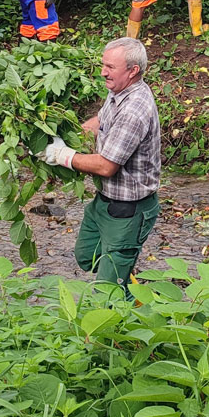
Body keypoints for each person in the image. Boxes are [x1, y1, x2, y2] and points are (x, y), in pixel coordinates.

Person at [42, 37, 161, 294]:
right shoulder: (118, 91)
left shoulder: (134, 110)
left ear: (133, 71)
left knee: (106, 293)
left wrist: (62, 156)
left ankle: (123, 293)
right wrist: (70, 136)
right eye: (103, 65)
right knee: (87, 255)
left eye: (110, 67)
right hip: (104, 201)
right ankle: (123, 275)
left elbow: (107, 166)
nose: (103, 72)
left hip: (128, 210)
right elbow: (102, 119)